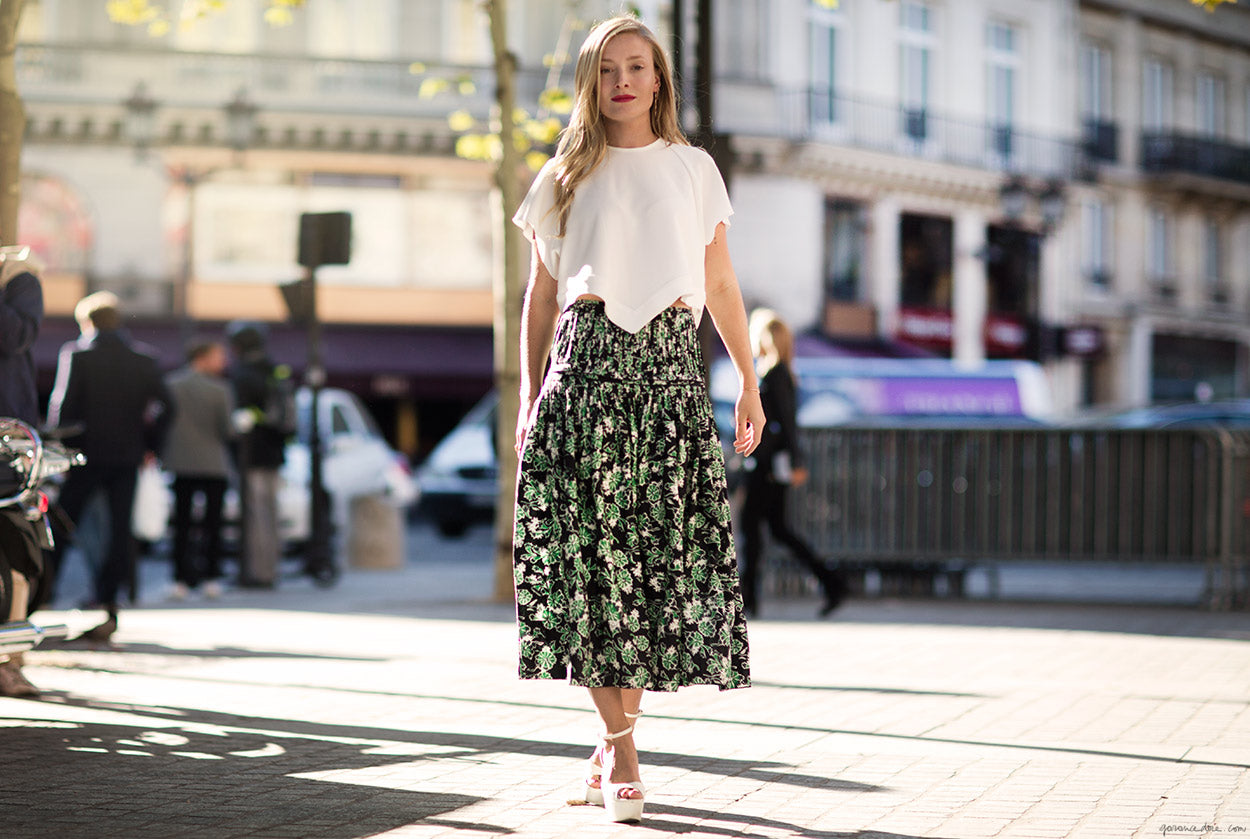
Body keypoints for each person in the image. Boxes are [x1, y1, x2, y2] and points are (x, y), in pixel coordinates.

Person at [511, 15, 762, 824]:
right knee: (586, 568)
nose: (624, 80)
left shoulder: (693, 169)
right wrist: (527, 394)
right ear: (591, 81)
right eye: (609, 68)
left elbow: (720, 284)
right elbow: (540, 297)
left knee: (650, 573)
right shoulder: (562, 175)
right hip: (583, 372)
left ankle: (608, 741)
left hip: (668, 377)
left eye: (638, 66)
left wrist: (749, 383)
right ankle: (624, 753)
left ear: (659, 80)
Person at [46, 291, 174, 638]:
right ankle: (109, 602)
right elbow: (167, 406)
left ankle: (42, 594)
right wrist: (151, 446)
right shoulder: (142, 360)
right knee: (120, 531)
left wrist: (63, 452)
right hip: (127, 455)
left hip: (86, 455)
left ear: (87, 322)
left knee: (61, 523)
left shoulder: (78, 355)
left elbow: (62, 409)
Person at [739, 309, 847, 619]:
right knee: (773, 529)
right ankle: (830, 583)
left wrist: (797, 460)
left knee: (757, 529)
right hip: (771, 464)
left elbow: (787, 422)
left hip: (768, 466)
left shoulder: (775, 374)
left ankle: (752, 598)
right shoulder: (779, 372)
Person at [0, 245, 48, 696]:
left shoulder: (19, 280)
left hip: (5, 439)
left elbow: (13, 337)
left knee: (13, 549)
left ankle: (8, 662)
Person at [162, 338, 235, 600]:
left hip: (180, 461)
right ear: (202, 356)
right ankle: (211, 577)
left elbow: (162, 421)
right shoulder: (220, 390)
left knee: (181, 522)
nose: (223, 361)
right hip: (213, 463)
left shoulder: (171, 384)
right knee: (213, 523)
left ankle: (180, 579)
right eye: (218, 355)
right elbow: (228, 429)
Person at [226, 321, 288, 589]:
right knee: (270, 514)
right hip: (274, 452)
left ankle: (256, 572)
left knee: (254, 515)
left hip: (250, 455)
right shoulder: (276, 369)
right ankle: (270, 570)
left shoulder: (241, 373)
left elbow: (236, 415)